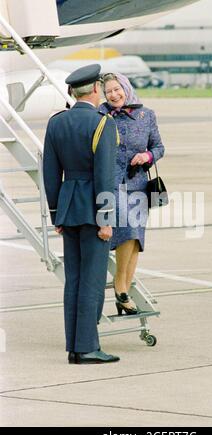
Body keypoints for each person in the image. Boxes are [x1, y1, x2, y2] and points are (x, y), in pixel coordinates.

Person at [43, 64, 120, 364]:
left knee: (73, 280)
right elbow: (104, 176)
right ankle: (87, 347)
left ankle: (74, 347)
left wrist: (55, 214)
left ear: (73, 92)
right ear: (97, 89)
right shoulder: (103, 123)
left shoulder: (57, 122)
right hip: (93, 211)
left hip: (68, 208)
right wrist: (106, 219)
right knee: (91, 280)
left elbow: (51, 173)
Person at [99, 73, 165, 315]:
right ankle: (120, 287)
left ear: (126, 88)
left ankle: (123, 294)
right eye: (109, 92)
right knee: (127, 227)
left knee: (136, 240)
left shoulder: (146, 115)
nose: (114, 95)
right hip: (112, 184)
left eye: (117, 89)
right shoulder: (101, 116)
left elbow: (158, 147)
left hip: (138, 183)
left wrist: (146, 157)